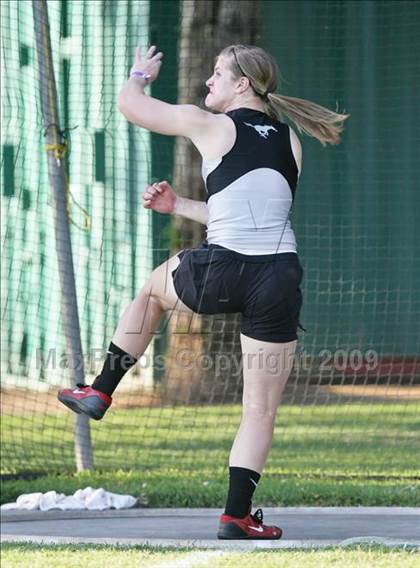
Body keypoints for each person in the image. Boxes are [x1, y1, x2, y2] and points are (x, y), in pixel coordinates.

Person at [58, 44, 349, 539]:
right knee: (260, 410)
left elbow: (132, 107)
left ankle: (101, 389)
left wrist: (139, 74)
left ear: (242, 85)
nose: (208, 82)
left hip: (226, 267)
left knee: (152, 291)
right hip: (278, 277)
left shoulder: (212, 124)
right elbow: (247, 214)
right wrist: (179, 206)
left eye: (217, 73)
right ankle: (236, 516)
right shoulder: (289, 140)